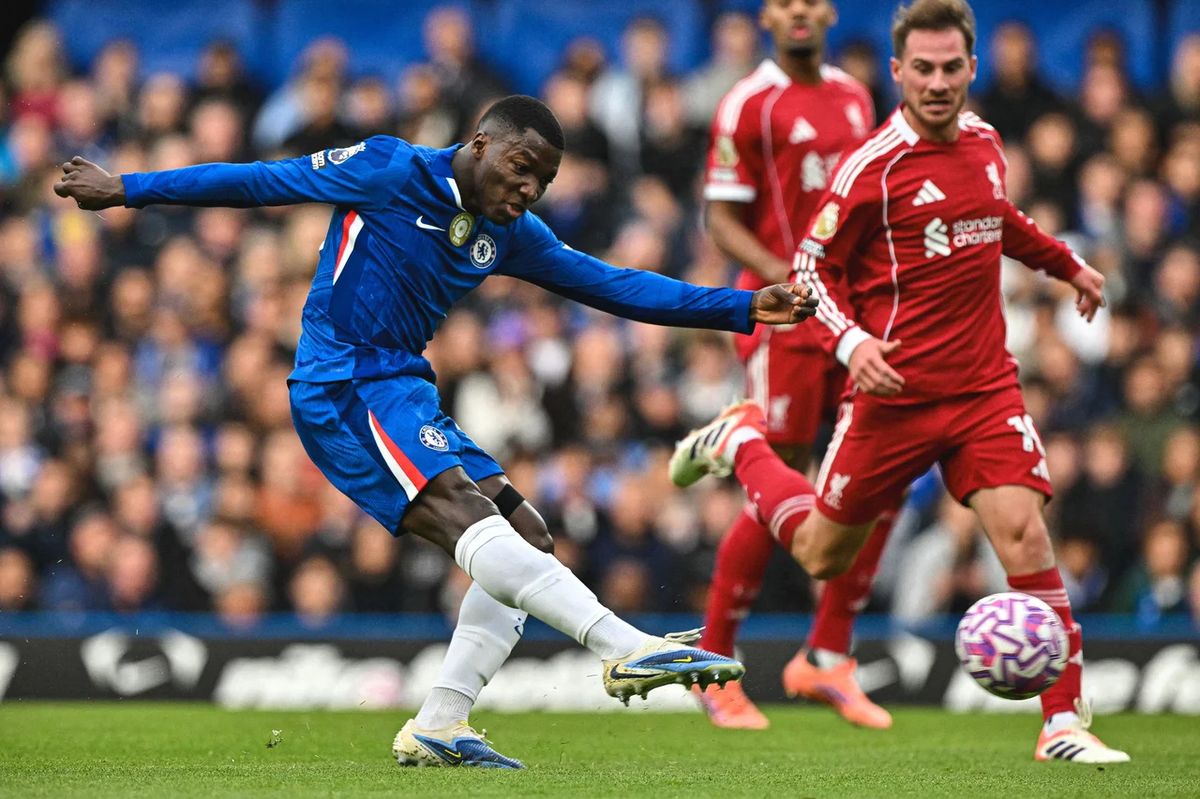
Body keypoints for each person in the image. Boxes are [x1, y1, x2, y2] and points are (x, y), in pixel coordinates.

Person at [54, 95, 818, 769]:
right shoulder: (389, 169)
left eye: (542, 181)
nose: (527, 190)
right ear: (481, 143)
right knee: (470, 515)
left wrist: (740, 307)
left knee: (530, 533)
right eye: (521, 168)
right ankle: (625, 648)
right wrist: (127, 189)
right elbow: (260, 180)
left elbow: (613, 284)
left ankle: (440, 724)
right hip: (343, 382)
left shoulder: (511, 232)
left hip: (404, 389)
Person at [671, 0, 1130, 764]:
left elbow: (999, 217)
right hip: (893, 393)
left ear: (973, 68)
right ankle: (741, 441)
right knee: (821, 551)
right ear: (898, 72)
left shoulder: (985, 141)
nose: (939, 81)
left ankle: (1062, 724)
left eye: (952, 67)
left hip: (984, 387)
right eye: (923, 68)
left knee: (1023, 531)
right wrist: (851, 344)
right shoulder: (871, 165)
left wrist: (1065, 264)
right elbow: (811, 265)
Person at [696, 0, 894, 730]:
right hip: (784, 314)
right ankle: (712, 665)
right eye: (785, 2)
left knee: (884, 462)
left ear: (830, 11)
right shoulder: (749, 104)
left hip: (854, 311)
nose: (801, 12)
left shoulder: (854, 95)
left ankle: (828, 654)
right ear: (767, 17)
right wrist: (786, 276)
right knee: (780, 468)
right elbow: (719, 216)